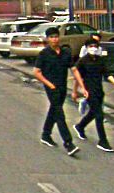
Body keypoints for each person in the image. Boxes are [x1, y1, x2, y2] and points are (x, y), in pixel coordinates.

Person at [33, 27, 88, 156]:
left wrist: (82, 87)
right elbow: (36, 72)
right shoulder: (44, 54)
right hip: (52, 88)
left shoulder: (65, 52)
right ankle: (68, 143)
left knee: (54, 110)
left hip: (62, 86)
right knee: (59, 114)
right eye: (51, 37)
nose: (54, 39)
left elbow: (74, 70)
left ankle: (46, 135)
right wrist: (49, 84)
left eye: (56, 37)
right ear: (47, 39)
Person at [72, 38, 114, 153]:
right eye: (91, 46)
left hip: (99, 91)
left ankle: (80, 126)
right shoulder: (82, 61)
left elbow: (107, 74)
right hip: (89, 92)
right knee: (99, 115)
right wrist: (75, 91)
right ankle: (103, 141)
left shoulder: (100, 60)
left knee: (93, 113)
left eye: (95, 46)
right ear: (86, 48)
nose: (93, 48)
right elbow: (77, 78)